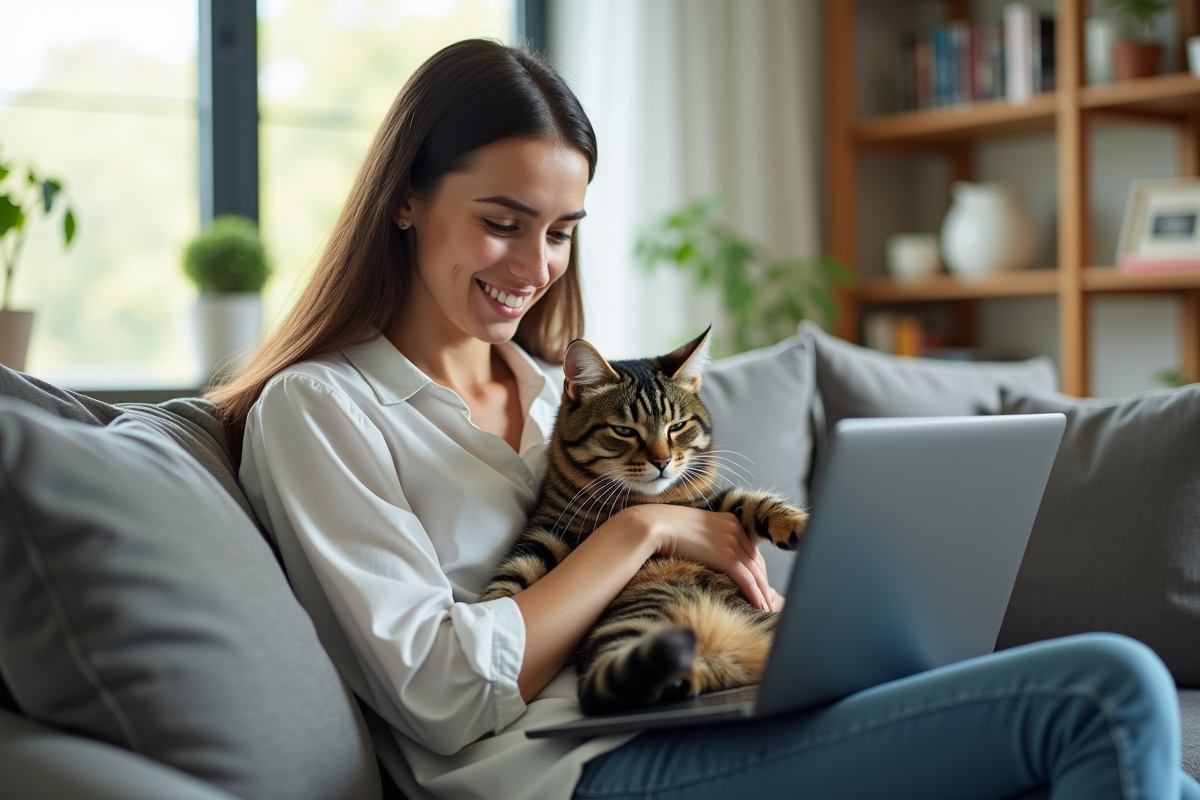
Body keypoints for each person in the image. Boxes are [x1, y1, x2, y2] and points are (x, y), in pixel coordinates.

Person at [210, 39, 1199, 800]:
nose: (534, 265)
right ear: (405, 202)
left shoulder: (563, 392)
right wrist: (646, 527)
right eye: (502, 220)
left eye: (561, 232)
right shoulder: (323, 410)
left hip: (703, 705)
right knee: (1107, 687)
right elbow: (439, 689)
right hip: (567, 765)